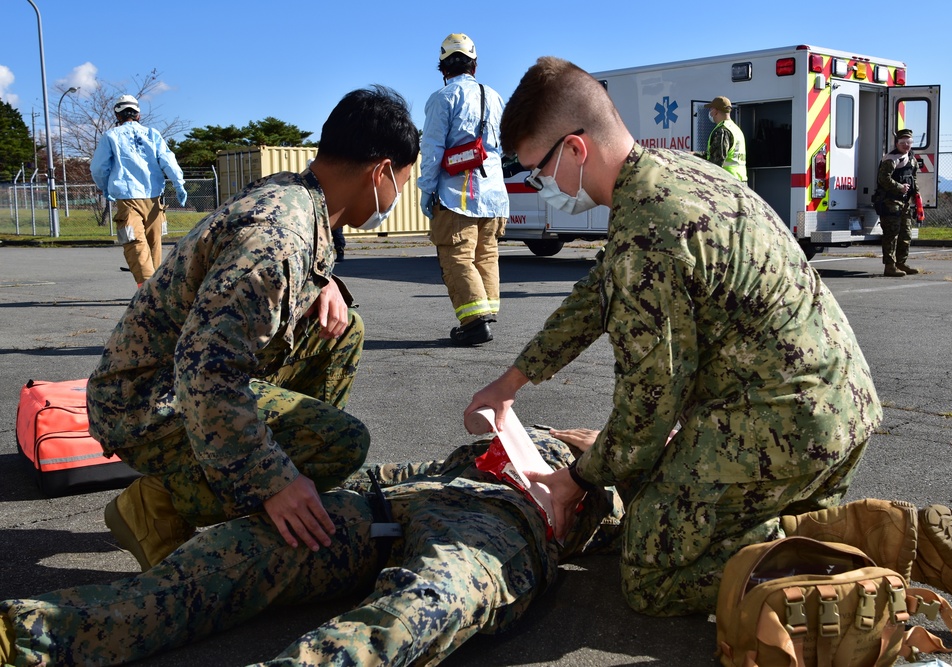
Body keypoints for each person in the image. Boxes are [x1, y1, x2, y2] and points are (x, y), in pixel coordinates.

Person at [465, 55, 888, 618]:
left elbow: (648, 407)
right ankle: (814, 531)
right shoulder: (673, 173)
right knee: (673, 504)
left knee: (651, 576)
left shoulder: (648, 234)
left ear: (574, 149)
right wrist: (512, 380)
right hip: (843, 412)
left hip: (781, 428)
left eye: (535, 170)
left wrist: (575, 480)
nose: (538, 185)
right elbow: (597, 294)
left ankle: (854, 562)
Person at [86, 86, 420, 573]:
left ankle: (272, 477)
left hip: (174, 375)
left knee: (345, 330)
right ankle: (157, 505)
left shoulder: (298, 195)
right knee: (340, 445)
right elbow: (206, 374)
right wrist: (273, 479)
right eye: (403, 182)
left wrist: (322, 282)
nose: (398, 195)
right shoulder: (278, 242)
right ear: (382, 172)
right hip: (145, 400)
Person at [0, 427, 624, 666]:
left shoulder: (626, 473)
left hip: (501, 529)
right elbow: (405, 471)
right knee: (240, 551)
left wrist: (604, 464)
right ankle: (32, 632)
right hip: (401, 506)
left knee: (419, 607)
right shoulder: (528, 433)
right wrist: (316, 493)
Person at [418, 33, 509, 347]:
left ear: (443, 67)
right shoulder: (495, 97)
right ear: (475, 64)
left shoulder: (442, 99)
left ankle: (474, 323)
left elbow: (431, 150)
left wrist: (426, 190)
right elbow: (502, 147)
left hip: (458, 194)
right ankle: (486, 313)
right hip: (494, 195)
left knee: (457, 256)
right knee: (486, 255)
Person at [90, 94, 188, 288]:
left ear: (117, 115)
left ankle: (147, 289)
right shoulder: (153, 134)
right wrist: (179, 184)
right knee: (154, 245)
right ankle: (158, 288)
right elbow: (168, 161)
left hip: (127, 199)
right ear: (138, 115)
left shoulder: (111, 136)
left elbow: (98, 168)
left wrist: (104, 186)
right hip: (154, 200)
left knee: (134, 242)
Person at [877, 128, 920, 277]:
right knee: (891, 234)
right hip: (890, 202)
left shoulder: (912, 158)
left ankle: (901, 263)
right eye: (903, 143)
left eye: (909, 142)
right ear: (897, 143)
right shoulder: (891, 159)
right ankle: (890, 266)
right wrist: (900, 187)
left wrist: (916, 194)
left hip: (905, 203)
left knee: (906, 234)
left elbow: (913, 178)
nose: (906, 145)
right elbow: (883, 179)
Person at [702, 95, 747, 181]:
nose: (710, 112)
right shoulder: (735, 129)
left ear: (715, 111)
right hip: (739, 181)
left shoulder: (722, 131)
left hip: (727, 182)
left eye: (710, 109)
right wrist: (695, 155)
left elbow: (716, 161)